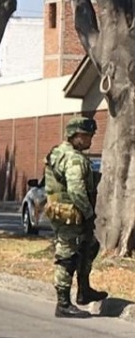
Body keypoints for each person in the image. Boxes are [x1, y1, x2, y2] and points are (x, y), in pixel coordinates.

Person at [42, 116, 107, 319]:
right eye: (86, 136)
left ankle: (84, 291)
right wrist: (88, 213)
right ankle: (63, 304)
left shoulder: (57, 152)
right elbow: (77, 189)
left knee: (89, 246)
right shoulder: (74, 158)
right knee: (68, 256)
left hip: (61, 210)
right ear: (75, 135)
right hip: (72, 213)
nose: (90, 140)